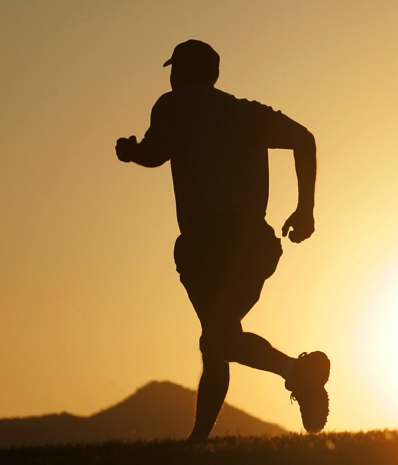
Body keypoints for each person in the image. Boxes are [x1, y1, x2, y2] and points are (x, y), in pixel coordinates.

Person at [115, 40, 329, 438]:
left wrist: (130, 152)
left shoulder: (173, 103)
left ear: (181, 72)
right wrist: (305, 209)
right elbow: (304, 138)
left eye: (173, 69)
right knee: (217, 339)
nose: (171, 77)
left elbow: (155, 153)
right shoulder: (246, 112)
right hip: (251, 241)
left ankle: (298, 372)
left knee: (217, 338)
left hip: (203, 243)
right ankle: (199, 443)